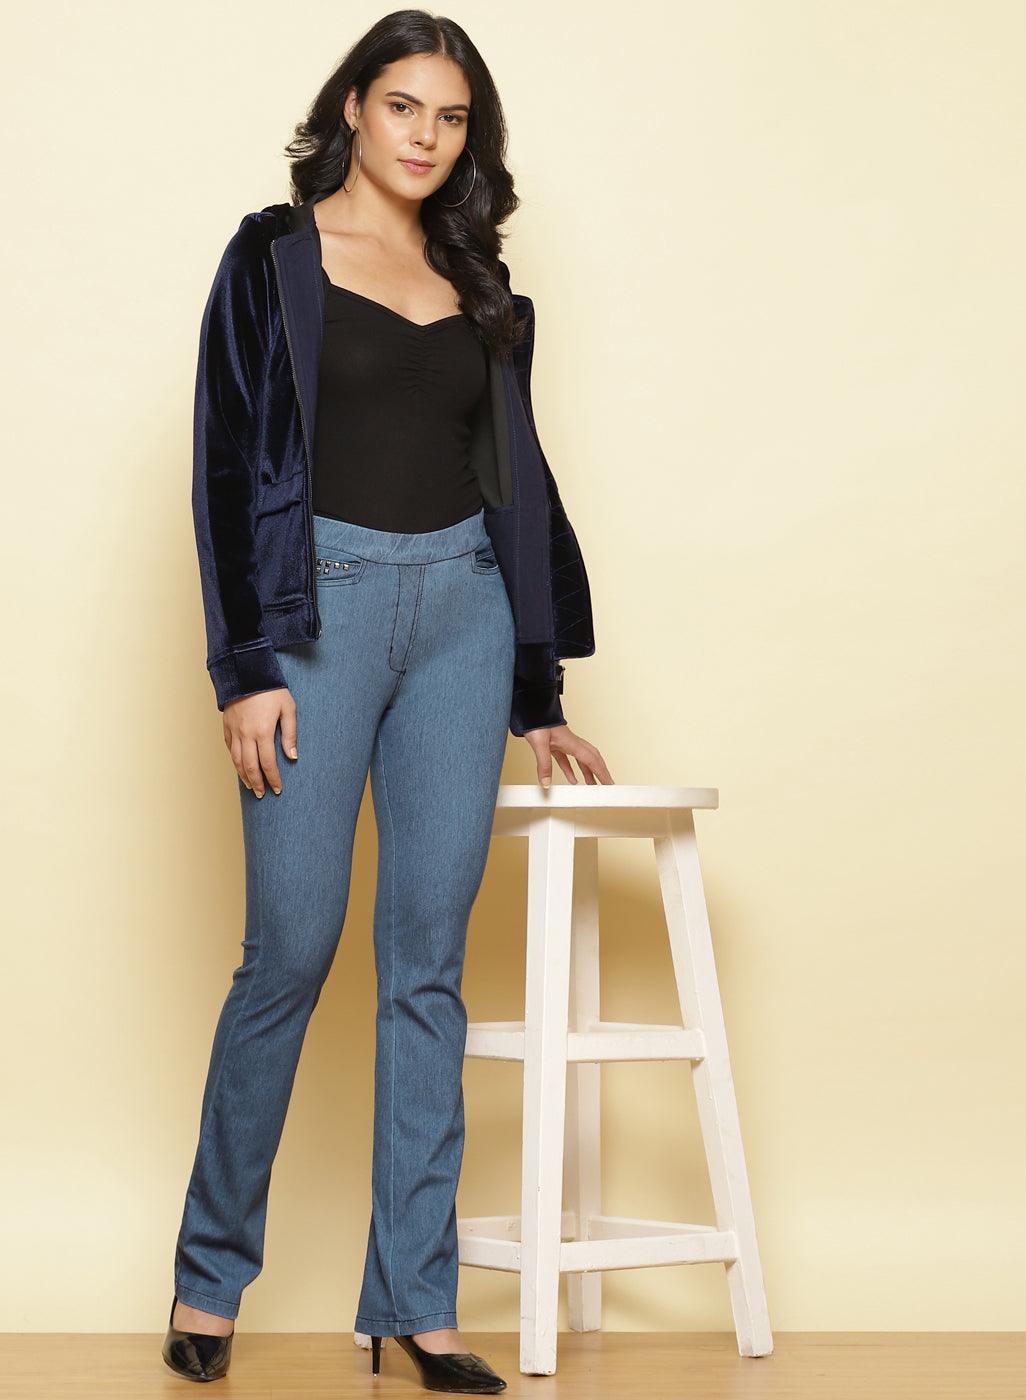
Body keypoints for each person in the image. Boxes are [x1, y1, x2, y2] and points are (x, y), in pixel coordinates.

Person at [163, 10, 612, 1392]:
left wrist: (534, 689)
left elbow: (510, 476)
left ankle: (418, 1305)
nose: (426, 135)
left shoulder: (481, 283)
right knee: (290, 953)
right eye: (404, 105)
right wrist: (245, 668)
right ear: (353, 107)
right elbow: (225, 464)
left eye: (451, 117)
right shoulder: (273, 259)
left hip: (463, 618)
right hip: (321, 616)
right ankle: (208, 1284)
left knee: (427, 968)